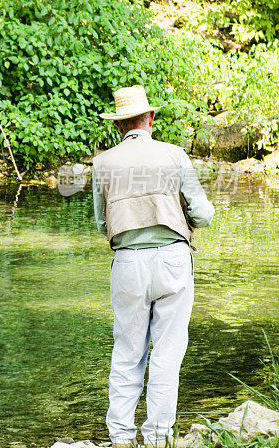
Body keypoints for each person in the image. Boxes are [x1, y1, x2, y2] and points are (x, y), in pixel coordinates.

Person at [92, 85, 215, 448]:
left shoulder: (102, 163)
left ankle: (120, 438)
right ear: (151, 118)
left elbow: (102, 224)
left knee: (127, 352)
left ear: (118, 126)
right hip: (173, 260)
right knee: (166, 353)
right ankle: (159, 438)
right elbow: (203, 215)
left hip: (127, 263)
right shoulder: (175, 155)